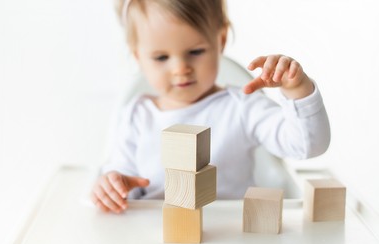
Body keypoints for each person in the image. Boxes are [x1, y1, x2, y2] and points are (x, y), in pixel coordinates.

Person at [91, 0, 331, 213]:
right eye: (161, 57)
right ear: (138, 57)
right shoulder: (137, 115)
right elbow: (121, 173)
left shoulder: (241, 107)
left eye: (195, 51)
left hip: (232, 233)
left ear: (221, 41)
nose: (180, 68)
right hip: (158, 236)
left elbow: (306, 145)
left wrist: (296, 88)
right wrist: (111, 185)